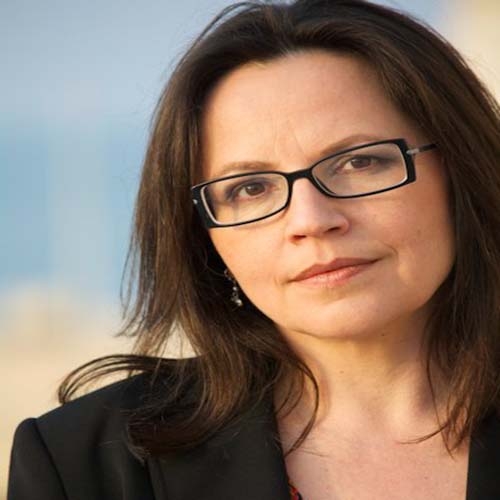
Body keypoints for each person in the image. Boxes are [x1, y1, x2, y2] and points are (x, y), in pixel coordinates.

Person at [8, 0, 500, 498]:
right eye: (250, 188)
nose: (311, 221)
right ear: (203, 236)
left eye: (359, 162)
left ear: (460, 169)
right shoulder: (81, 465)